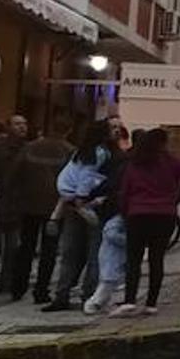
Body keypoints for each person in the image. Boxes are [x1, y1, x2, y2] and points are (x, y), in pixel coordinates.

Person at [112, 128, 180, 317]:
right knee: (157, 259)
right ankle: (151, 303)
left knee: (133, 259)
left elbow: (125, 190)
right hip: (164, 215)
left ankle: (130, 300)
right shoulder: (170, 162)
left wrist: (125, 212)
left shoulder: (135, 163)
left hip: (137, 214)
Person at [44, 121, 114, 311]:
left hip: (70, 201)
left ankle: (62, 294)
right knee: (94, 253)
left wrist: (56, 215)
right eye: (112, 129)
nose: (115, 132)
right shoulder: (100, 153)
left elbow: (73, 176)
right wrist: (82, 200)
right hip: (85, 204)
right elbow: (86, 178)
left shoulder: (80, 152)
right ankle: (88, 294)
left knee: (70, 254)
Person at [4, 121, 72, 304]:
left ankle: (18, 288)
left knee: (26, 246)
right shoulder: (69, 151)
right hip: (55, 209)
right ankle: (41, 291)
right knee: (49, 251)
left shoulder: (29, 148)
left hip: (29, 205)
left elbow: (13, 174)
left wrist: (15, 197)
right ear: (69, 130)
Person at [85, 129, 137, 316]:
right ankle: (93, 302)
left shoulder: (121, 161)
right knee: (107, 276)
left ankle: (97, 301)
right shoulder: (127, 162)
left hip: (112, 213)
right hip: (117, 216)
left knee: (107, 273)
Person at [0, 115, 28, 295]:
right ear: (8, 126)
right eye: (18, 124)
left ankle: (6, 284)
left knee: (12, 248)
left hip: (17, 205)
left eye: (24, 124)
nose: (22, 127)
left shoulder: (28, 148)